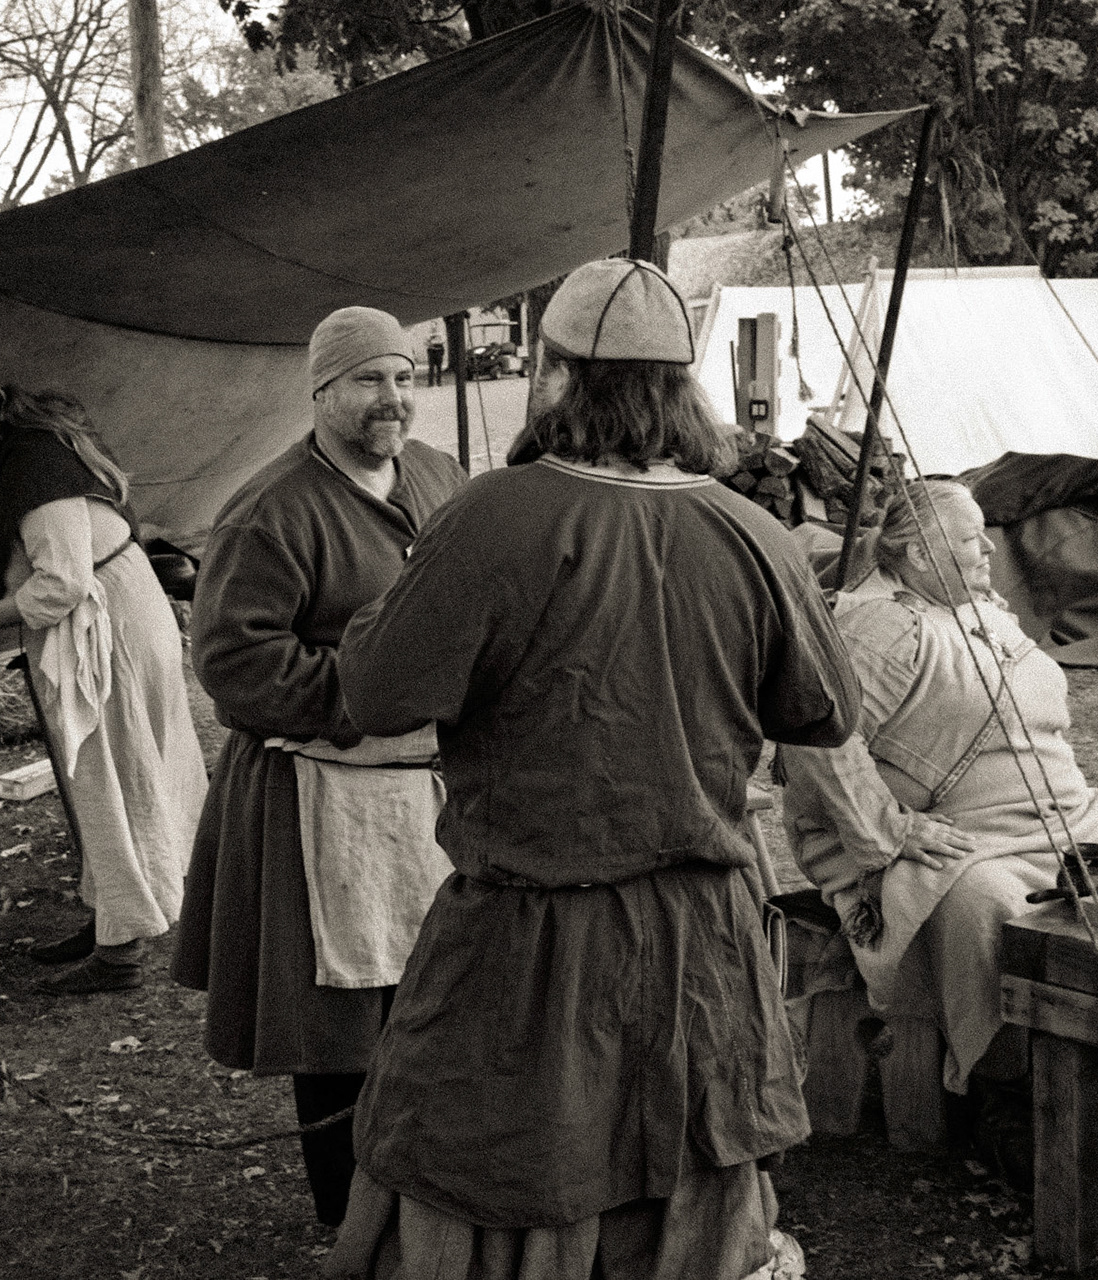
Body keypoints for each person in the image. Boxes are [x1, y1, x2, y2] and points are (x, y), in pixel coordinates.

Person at [324, 259, 861, 1280]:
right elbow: (824, 709)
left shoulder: (494, 516)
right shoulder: (755, 534)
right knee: (648, 1180)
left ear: (557, 373)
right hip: (695, 936)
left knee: (514, 1170)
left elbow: (378, 690)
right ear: (680, 385)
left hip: (540, 944)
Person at [171, 306, 466, 1227]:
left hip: (427, 788)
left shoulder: (441, 478)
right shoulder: (271, 511)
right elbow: (234, 664)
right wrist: (373, 694)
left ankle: (430, 1193)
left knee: (438, 997)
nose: (393, 400)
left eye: (406, 379)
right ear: (323, 391)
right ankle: (347, 1218)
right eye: (370, 381)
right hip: (317, 793)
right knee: (338, 1027)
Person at [779, 478, 1098, 1173]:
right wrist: (887, 829)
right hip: (955, 835)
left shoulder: (977, 606)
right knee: (986, 904)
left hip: (1054, 817)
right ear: (918, 555)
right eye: (967, 539)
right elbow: (815, 739)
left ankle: (1097, 1041)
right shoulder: (881, 626)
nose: (986, 548)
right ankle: (1000, 1081)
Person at [0, 369, 208, 995]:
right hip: (113, 615)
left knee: (112, 780)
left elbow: (61, 582)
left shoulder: (34, 468)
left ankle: (120, 953)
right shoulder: (18, 457)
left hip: (109, 627)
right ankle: (113, 915)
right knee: (110, 779)